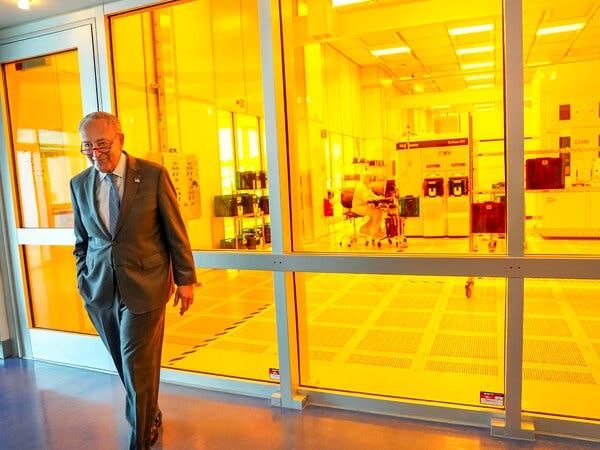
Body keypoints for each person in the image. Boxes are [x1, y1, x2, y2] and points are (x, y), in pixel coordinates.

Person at [69, 111, 197, 449]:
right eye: (87, 146)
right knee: (126, 363)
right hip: (100, 289)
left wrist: (185, 280)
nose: (95, 153)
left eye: (102, 144)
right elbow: (82, 241)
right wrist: (83, 277)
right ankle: (150, 412)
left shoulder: (152, 176)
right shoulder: (79, 184)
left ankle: (140, 438)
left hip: (146, 285)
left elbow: (176, 233)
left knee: (134, 361)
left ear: (121, 140)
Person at [352, 172, 385, 237]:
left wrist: (380, 198)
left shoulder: (365, 186)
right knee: (377, 212)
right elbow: (367, 199)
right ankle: (375, 232)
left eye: (369, 178)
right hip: (359, 207)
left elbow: (372, 195)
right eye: (368, 178)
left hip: (362, 206)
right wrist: (377, 199)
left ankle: (364, 229)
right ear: (364, 178)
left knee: (376, 212)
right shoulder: (361, 187)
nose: (369, 179)